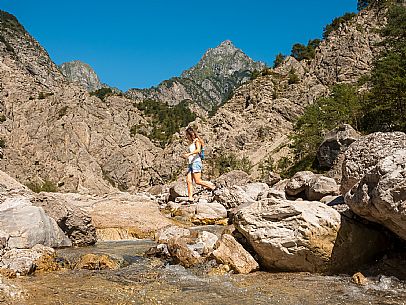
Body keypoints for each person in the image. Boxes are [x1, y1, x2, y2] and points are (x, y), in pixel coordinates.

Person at [183, 126, 215, 202]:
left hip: (196, 162)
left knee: (197, 181)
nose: (187, 136)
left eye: (187, 134)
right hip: (191, 163)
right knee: (188, 180)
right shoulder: (192, 142)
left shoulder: (197, 141)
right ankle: (190, 198)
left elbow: (198, 150)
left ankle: (212, 186)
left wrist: (189, 154)